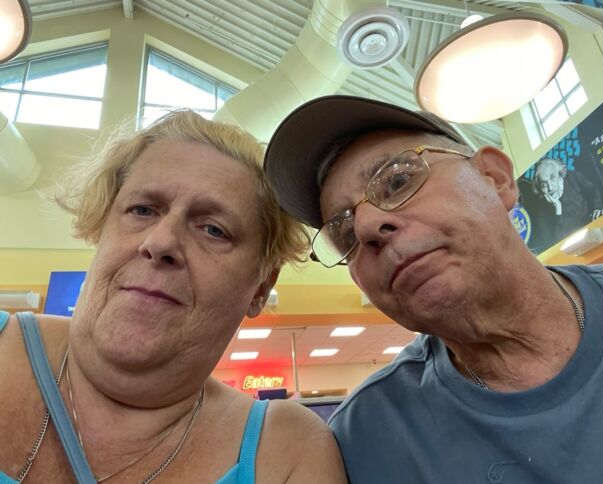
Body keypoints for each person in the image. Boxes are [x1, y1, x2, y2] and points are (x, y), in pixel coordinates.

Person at [263, 95, 603, 483]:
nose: (366, 227)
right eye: (343, 234)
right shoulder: (361, 441)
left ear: (495, 178)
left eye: (397, 181)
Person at [0, 110, 347, 483]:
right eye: (142, 210)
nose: (161, 241)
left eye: (213, 229)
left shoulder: (286, 452)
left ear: (261, 287)